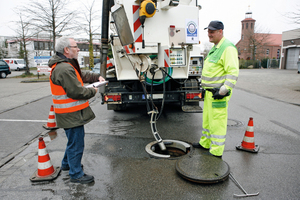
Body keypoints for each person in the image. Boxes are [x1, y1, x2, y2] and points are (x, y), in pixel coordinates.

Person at [48, 36, 105, 183]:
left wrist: (96, 77)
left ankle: (67, 165)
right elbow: (76, 92)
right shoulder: (64, 68)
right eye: (75, 46)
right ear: (66, 50)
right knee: (76, 143)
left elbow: (80, 76)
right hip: (70, 114)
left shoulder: (65, 65)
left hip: (68, 114)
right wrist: (94, 90)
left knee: (73, 141)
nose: (78, 49)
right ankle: (76, 174)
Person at [193, 21, 239, 158]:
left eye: (212, 32)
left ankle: (216, 151)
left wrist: (223, 91)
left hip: (218, 94)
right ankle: (205, 143)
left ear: (221, 32)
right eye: (208, 31)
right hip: (209, 93)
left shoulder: (227, 48)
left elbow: (233, 72)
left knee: (217, 121)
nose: (209, 34)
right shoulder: (215, 48)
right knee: (207, 120)